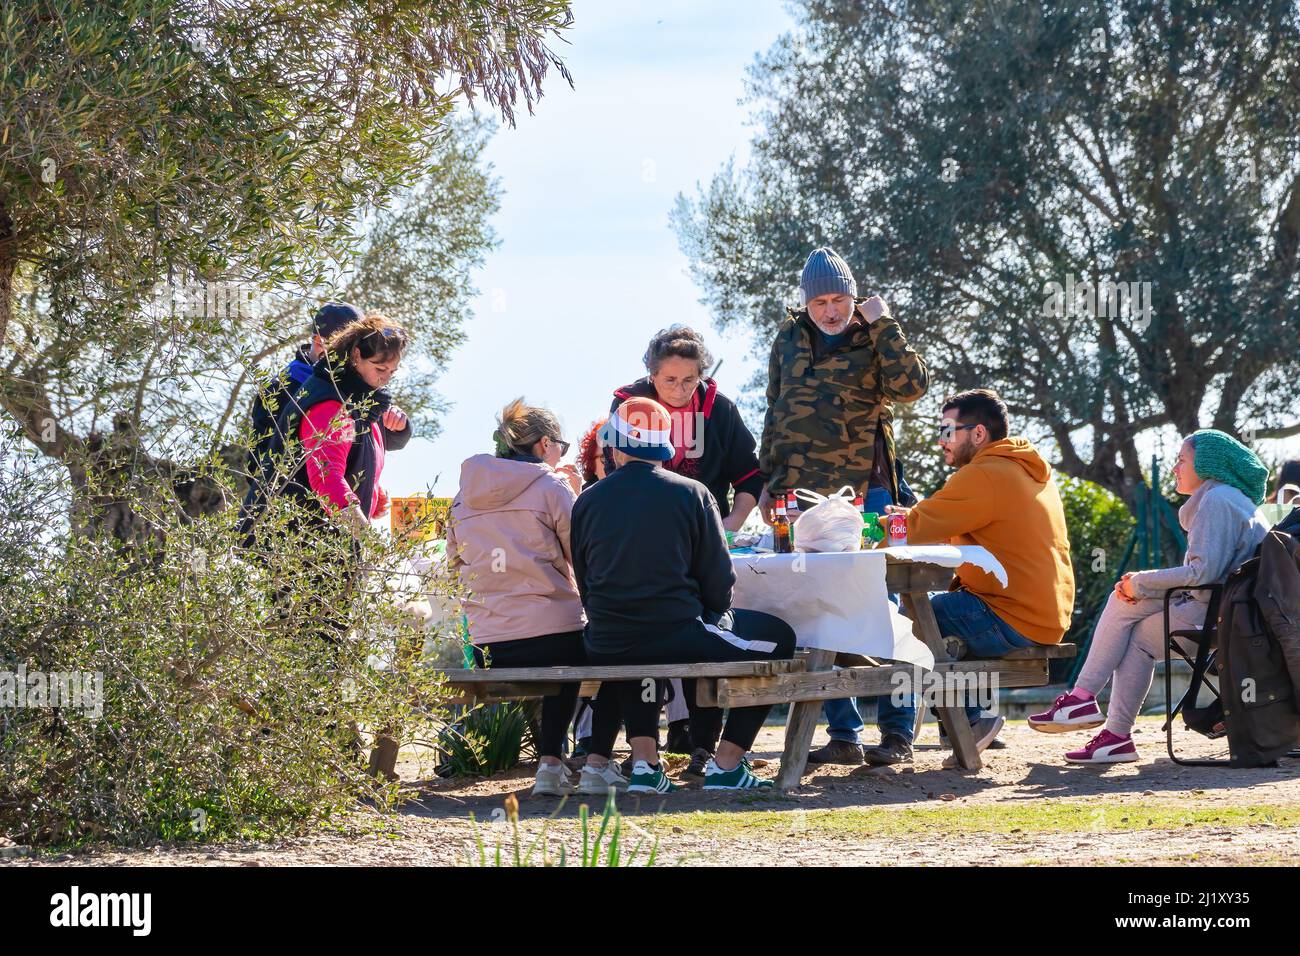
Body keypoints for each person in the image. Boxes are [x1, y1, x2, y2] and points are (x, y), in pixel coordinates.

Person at [572, 397, 797, 793]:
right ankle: (727, 764)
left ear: (616, 446)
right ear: (665, 445)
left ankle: (645, 766)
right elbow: (719, 580)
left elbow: (585, 582)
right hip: (675, 631)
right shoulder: (692, 493)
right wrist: (716, 616)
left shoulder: (587, 501)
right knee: (780, 637)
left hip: (607, 640)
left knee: (638, 649)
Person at [758, 246, 928, 767]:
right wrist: (767, 481)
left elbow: (912, 387)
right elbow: (775, 408)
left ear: (855, 297)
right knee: (819, 610)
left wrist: (884, 324)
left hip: (867, 491)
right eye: (820, 301)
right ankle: (844, 732)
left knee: (885, 604)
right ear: (805, 303)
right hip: (799, 496)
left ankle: (898, 730)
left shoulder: (873, 334)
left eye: (839, 299)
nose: (830, 310)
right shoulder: (787, 338)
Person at [1029, 430, 1270, 763]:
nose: (1175, 468)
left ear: (1207, 464)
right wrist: (1138, 586)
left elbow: (1203, 574)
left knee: (1130, 617)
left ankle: (1092, 711)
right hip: (1228, 610)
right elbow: (1209, 576)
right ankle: (1104, 726)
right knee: (1129, 614)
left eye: (1182, 460)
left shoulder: (1217, 501)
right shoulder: (1230, 499)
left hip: (1217, 614)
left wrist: (1141, 583)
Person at [445, 399, 627, 797]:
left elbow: (454, 567)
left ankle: (553, 762)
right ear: (545, 444)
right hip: (552, 635)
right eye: (559, 443)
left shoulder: (463, 496)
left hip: (485, 643)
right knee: (621, 656)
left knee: (556, 653)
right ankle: (585, 762)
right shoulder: (552, 486)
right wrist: (576, 494)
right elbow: (582, 557)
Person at [604, 326, 765, 770]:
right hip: (646, 542)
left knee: (711, 622)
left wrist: (729, 523)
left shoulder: (720, 409)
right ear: (651, 376)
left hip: (704, 534)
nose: (678, 390)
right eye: (669, 380)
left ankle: (702, 743)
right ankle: (641, 752)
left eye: (689, 380)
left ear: (702, 377)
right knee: (648, 636)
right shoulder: (628, 405)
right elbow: (610, 473)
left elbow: (749, 475)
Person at [885, 389, 1075, 761]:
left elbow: (917, 526)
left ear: (977, 434)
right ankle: (962, 722)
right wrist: (912, 519)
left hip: (1011, 614)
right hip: (1045, 613)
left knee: (914, 618)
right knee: (943, 623)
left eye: (948, 432)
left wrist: (866, 529)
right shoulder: (1024, 467)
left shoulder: (984, 474)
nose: (942, 442)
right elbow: (949, 521)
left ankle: (967, 721)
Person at [239, 313, 415, 648]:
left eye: (392, 372)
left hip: (324, 543)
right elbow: (325, 478)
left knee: (322, 649)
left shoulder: (358, 398)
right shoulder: (330, 400)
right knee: (311, 650)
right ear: (355, 356)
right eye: (380, 369)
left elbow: (351, 460)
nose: (385, 380)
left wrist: (370, 495)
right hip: (301, 545)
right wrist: (366, 533)